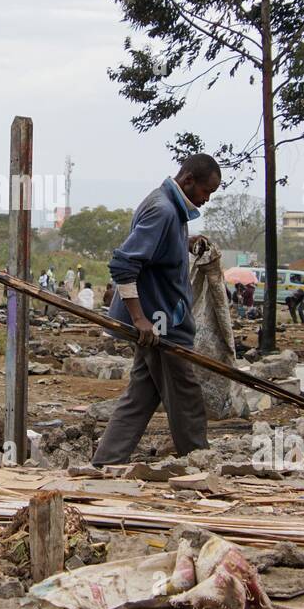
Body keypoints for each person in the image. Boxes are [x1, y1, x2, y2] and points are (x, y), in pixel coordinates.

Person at [92, 153, 221, 466]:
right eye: (206, 191)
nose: (206, 199)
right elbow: (123, 264)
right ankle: (198, 462)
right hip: (160, 325)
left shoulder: (169, 208)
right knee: (186, 395)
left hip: (163, 321)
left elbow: (155, 250)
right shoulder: (163, 210)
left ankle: (106, 461)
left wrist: (186, 242)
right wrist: (139, 319)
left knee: (141, 396)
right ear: (188, 180)